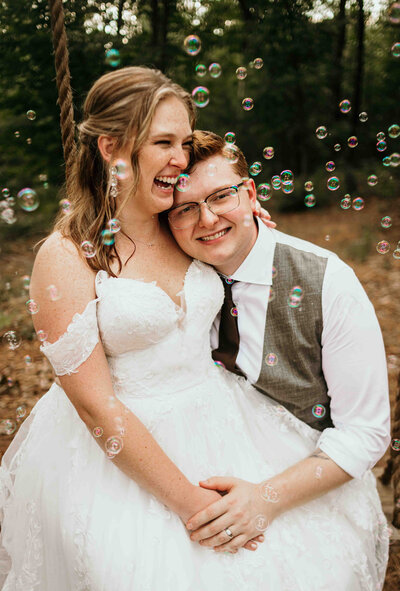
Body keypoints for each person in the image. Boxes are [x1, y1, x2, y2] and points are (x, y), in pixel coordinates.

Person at [0, 66, 389, 591]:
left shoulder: (178, 223)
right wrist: (192, 504)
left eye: (184, 141)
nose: (180, 158)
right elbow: (95, 404)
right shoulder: (70, 254)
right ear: (112, 145)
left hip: (223, 419)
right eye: (163, 141)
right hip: (126, 448)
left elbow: (225, 231)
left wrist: (246, 216)